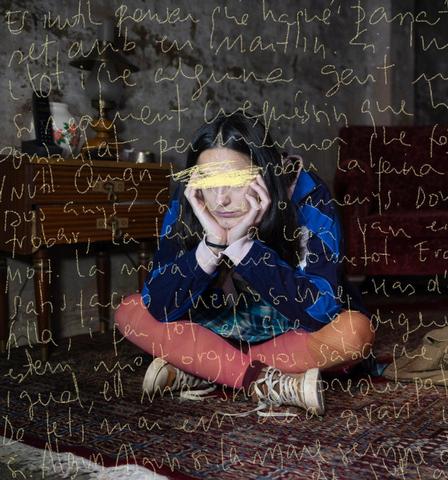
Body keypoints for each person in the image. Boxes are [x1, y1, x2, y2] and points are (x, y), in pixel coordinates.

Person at [114, 112, 375, 418]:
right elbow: (158, 304)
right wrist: (211, 247)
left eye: (236, 181)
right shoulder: (189, 195)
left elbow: (321, 309)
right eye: (209, 181)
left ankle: (202, 367)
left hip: (285, 331)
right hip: (213, 327)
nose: (221, 200)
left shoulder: (307, 192)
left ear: (266, 174)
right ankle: (261, 380)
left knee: (354, 333)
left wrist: (244, 248)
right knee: (130, 312)